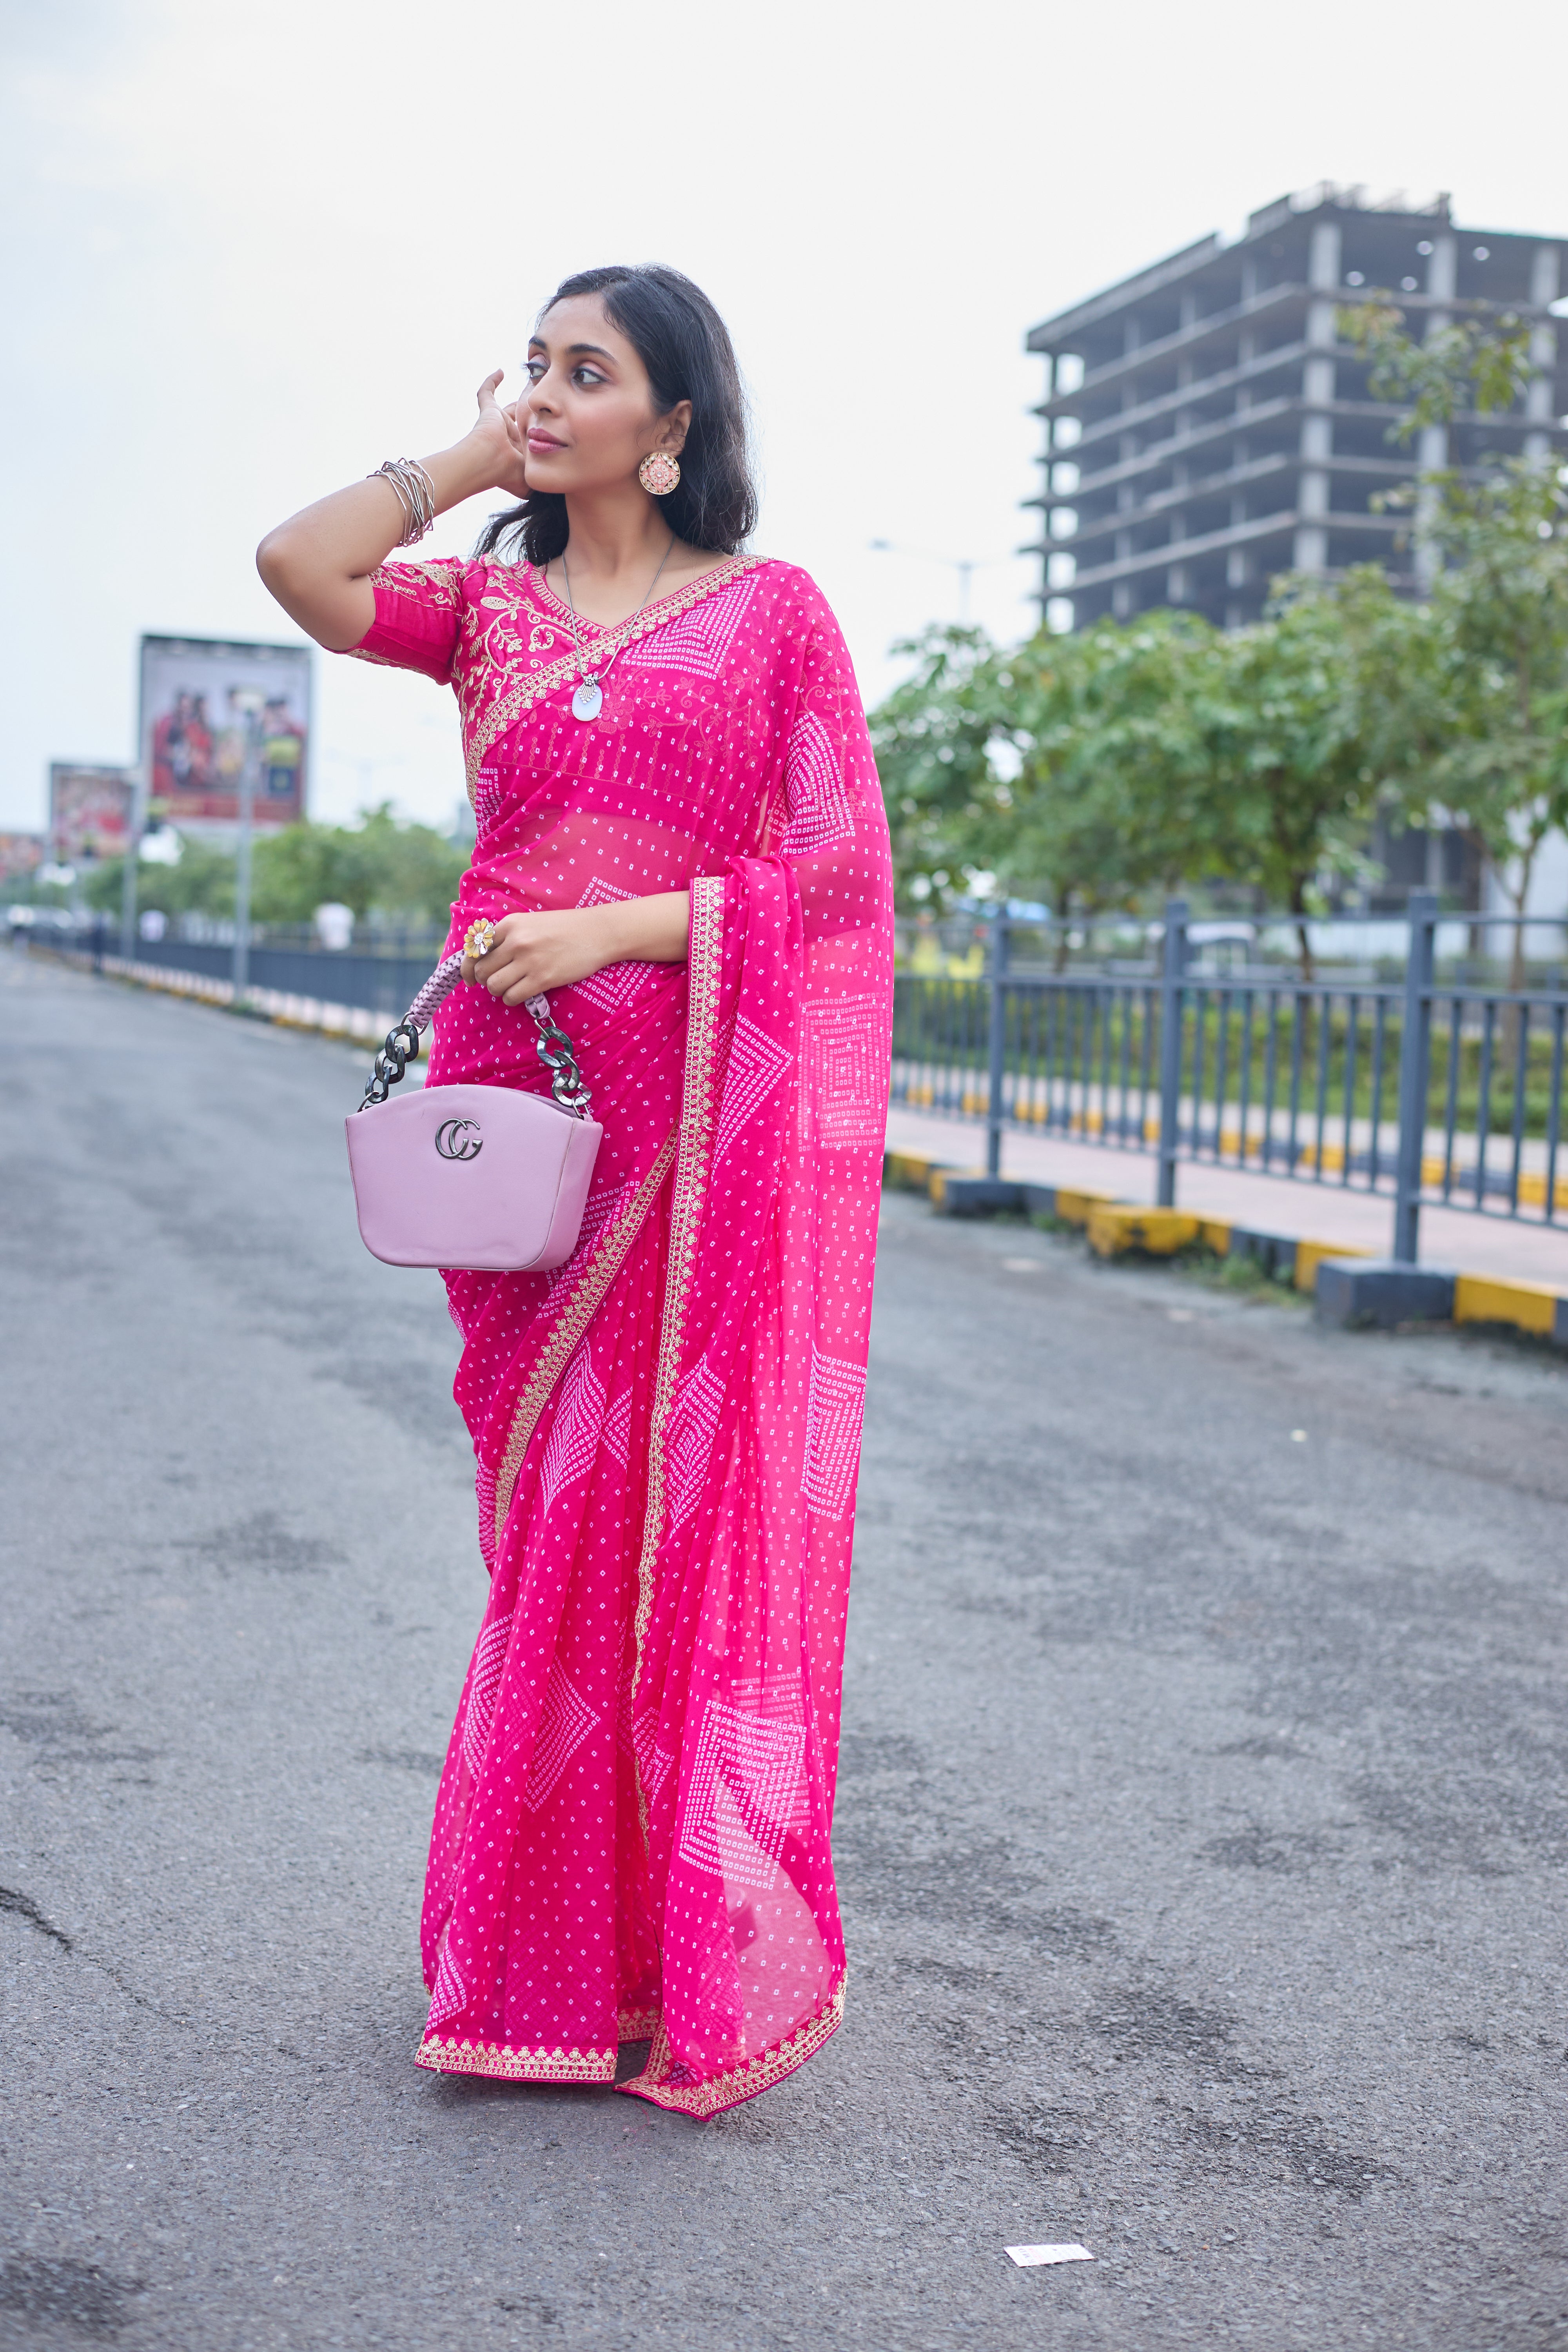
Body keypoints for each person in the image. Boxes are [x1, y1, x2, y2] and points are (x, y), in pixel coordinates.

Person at [257, 265, 893, 2117]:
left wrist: (633, 922)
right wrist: (468, 452)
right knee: (547, 1510)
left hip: (700, 1122)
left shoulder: (772, 618)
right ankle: (542, 1950)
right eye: (534, 362)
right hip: (519, 1117)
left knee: (663, 1523)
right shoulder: (486, 616)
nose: (548, 389)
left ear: (675, 425)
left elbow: (840, 886)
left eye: (585, 370)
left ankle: (641, 1955)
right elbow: (300, 568)